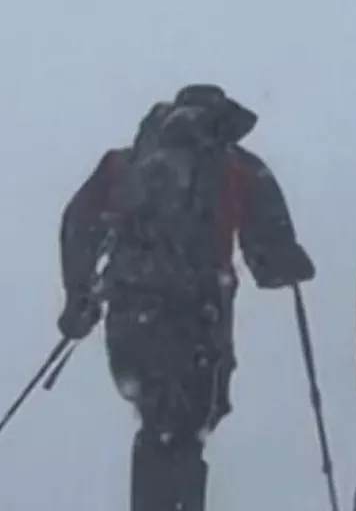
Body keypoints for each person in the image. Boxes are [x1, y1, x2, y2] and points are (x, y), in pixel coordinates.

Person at [56, 84, 316, 511]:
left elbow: (78, 224)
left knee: (156, 422)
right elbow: (271, 263)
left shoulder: (123, 164)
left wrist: (78, 297)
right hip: (198, 315)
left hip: (129, 313)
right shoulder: (240, 169)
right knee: (186, 431)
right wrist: (291, 264)